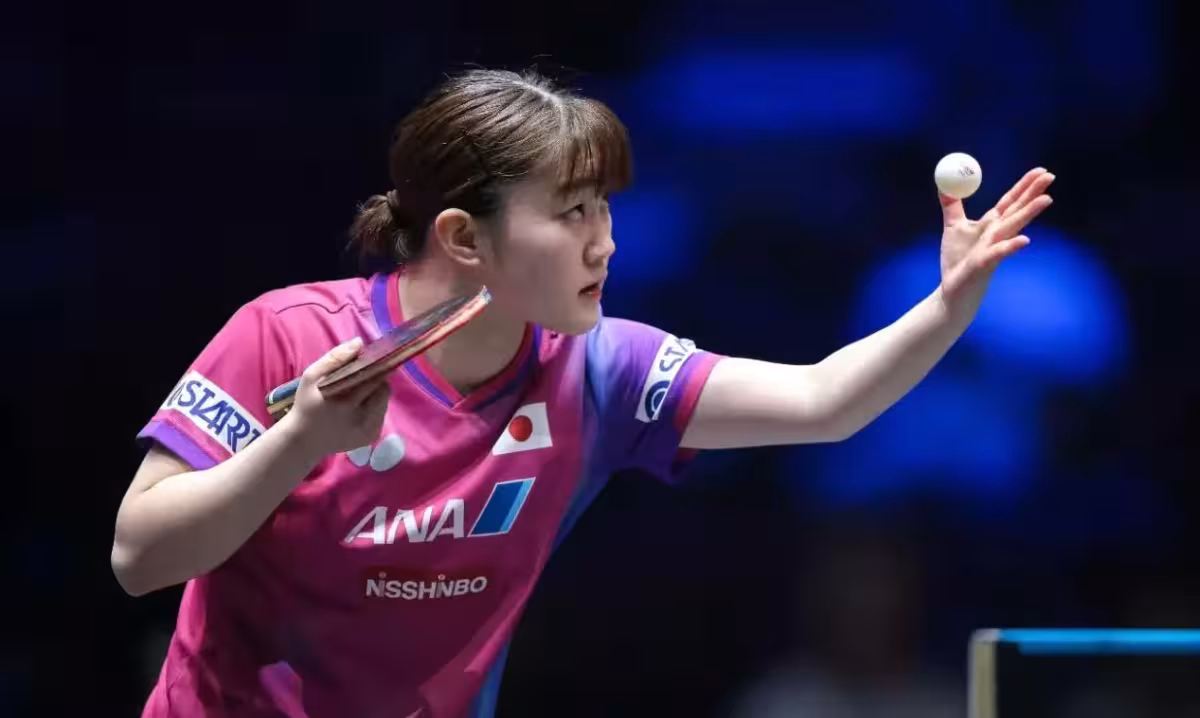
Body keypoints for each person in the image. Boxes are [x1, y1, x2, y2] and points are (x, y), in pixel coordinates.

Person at [110, 68, 1054, 717]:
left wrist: (948, 305)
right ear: (463, 236)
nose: (605, 241)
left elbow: (823, 403)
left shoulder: (597, 369)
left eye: (604, 207)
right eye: (570, 212)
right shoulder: (289, 338)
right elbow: (140, 556)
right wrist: (299, 443)